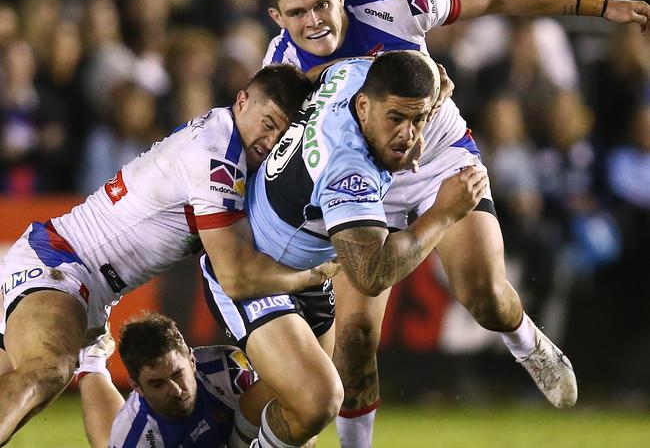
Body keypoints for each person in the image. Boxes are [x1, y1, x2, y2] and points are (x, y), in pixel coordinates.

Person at [262, 0, 649, 446]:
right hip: (362, 186)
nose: (315, 20)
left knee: (484, 296)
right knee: (356, 338)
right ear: (277, 16)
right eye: (298, 12)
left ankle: (524, 339)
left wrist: (604, 6)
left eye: (322, 3)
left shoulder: (395, 3)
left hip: (437, 159)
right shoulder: (278, 76)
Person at [0, 64, 340, 445]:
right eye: (268, 122)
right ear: (242, 101)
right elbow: (236, 278)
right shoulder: (219, 154)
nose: (271, 138)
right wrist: (313, 275)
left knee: (27, 396)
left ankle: (91, 360)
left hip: (90, 287)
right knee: (48, 368)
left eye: (282, 132)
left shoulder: (224, 135)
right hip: (63, 264)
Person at [202, 50, 489, 448]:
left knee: (295, 410)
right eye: (396, 119)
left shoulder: (356, 73)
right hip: (258, 270)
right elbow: (372, 276)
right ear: (364, 106)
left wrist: (433, 88)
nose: (408, 134)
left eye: (418, 120)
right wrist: (443, 214)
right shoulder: (348, 170)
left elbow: (345, 71)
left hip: (307, 269)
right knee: (318, 401)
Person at [77, 313, 257, 448]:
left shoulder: (229, 369)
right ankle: (93, 360)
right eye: (157, 384)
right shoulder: (135, 438)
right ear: (137, 387)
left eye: (178, 374)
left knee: (269, 392)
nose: (175, 391)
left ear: (192, 361)